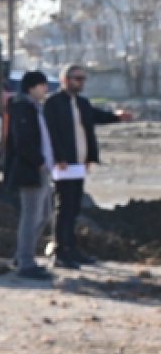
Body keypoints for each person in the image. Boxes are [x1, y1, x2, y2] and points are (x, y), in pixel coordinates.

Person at [42, 65, 130, 269]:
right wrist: (58, 157)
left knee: (74, 207)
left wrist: (117, 116)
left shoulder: (82, 103)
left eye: (83, 79)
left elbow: (96, 117)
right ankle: (60, 251)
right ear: (65, 80)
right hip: (63, 164)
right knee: (63, 207)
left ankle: (72, 249)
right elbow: (50, 132)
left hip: (79, 163)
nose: (80, 83)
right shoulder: (53, 103)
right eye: (77, 79)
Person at [4, 71, 54, 281]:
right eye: (42, 85)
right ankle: (26, 263)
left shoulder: (35, 108)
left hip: (41, 169)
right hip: (31, 170)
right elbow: (24, 142)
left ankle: (21, 256)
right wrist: (40, 162)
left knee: (44, 214)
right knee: (31, 216)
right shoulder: (23, 108)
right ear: (31, 87)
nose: (46, 89)